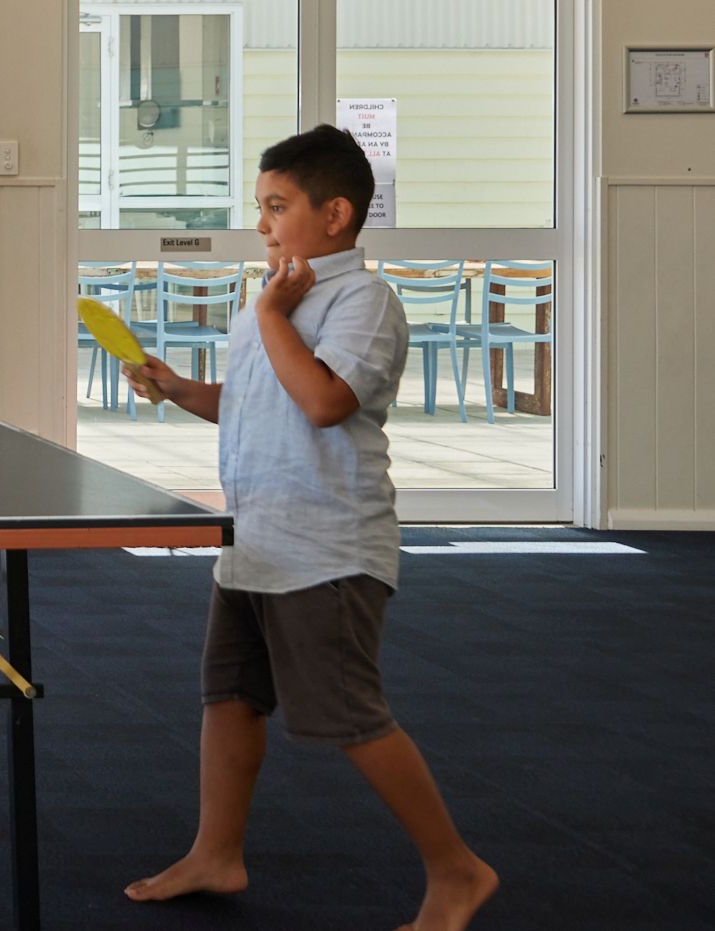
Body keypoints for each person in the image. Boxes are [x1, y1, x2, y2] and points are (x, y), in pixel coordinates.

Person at [123, 125, 495, 929]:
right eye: (259, 205)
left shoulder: (361, 300)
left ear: (334, 213)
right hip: (253, 538)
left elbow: (324, 402)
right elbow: (257, 399)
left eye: (276, 205)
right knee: (227, 697)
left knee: (349, 718)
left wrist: (269, 314)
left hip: (326, 550)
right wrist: (179, 386)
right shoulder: (275, 300)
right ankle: (215, 853)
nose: (261, 221)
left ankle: (455, 869)